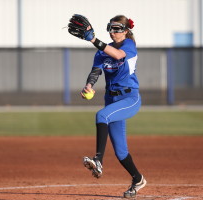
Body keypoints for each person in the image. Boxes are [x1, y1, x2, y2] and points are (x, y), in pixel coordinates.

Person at [70, 14, 146, 198]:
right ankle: (138, 179)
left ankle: (98, 160)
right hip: (111, 99)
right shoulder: (102, 51)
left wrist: (94, 40)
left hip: (129, 98)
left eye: (117, 28)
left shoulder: (128, 45)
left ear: (126, 31)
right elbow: (96, 71)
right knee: (121, 151)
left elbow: (118, 55)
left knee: (101, 116)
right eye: (110, 28)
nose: (113, 32)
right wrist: (89, 85)